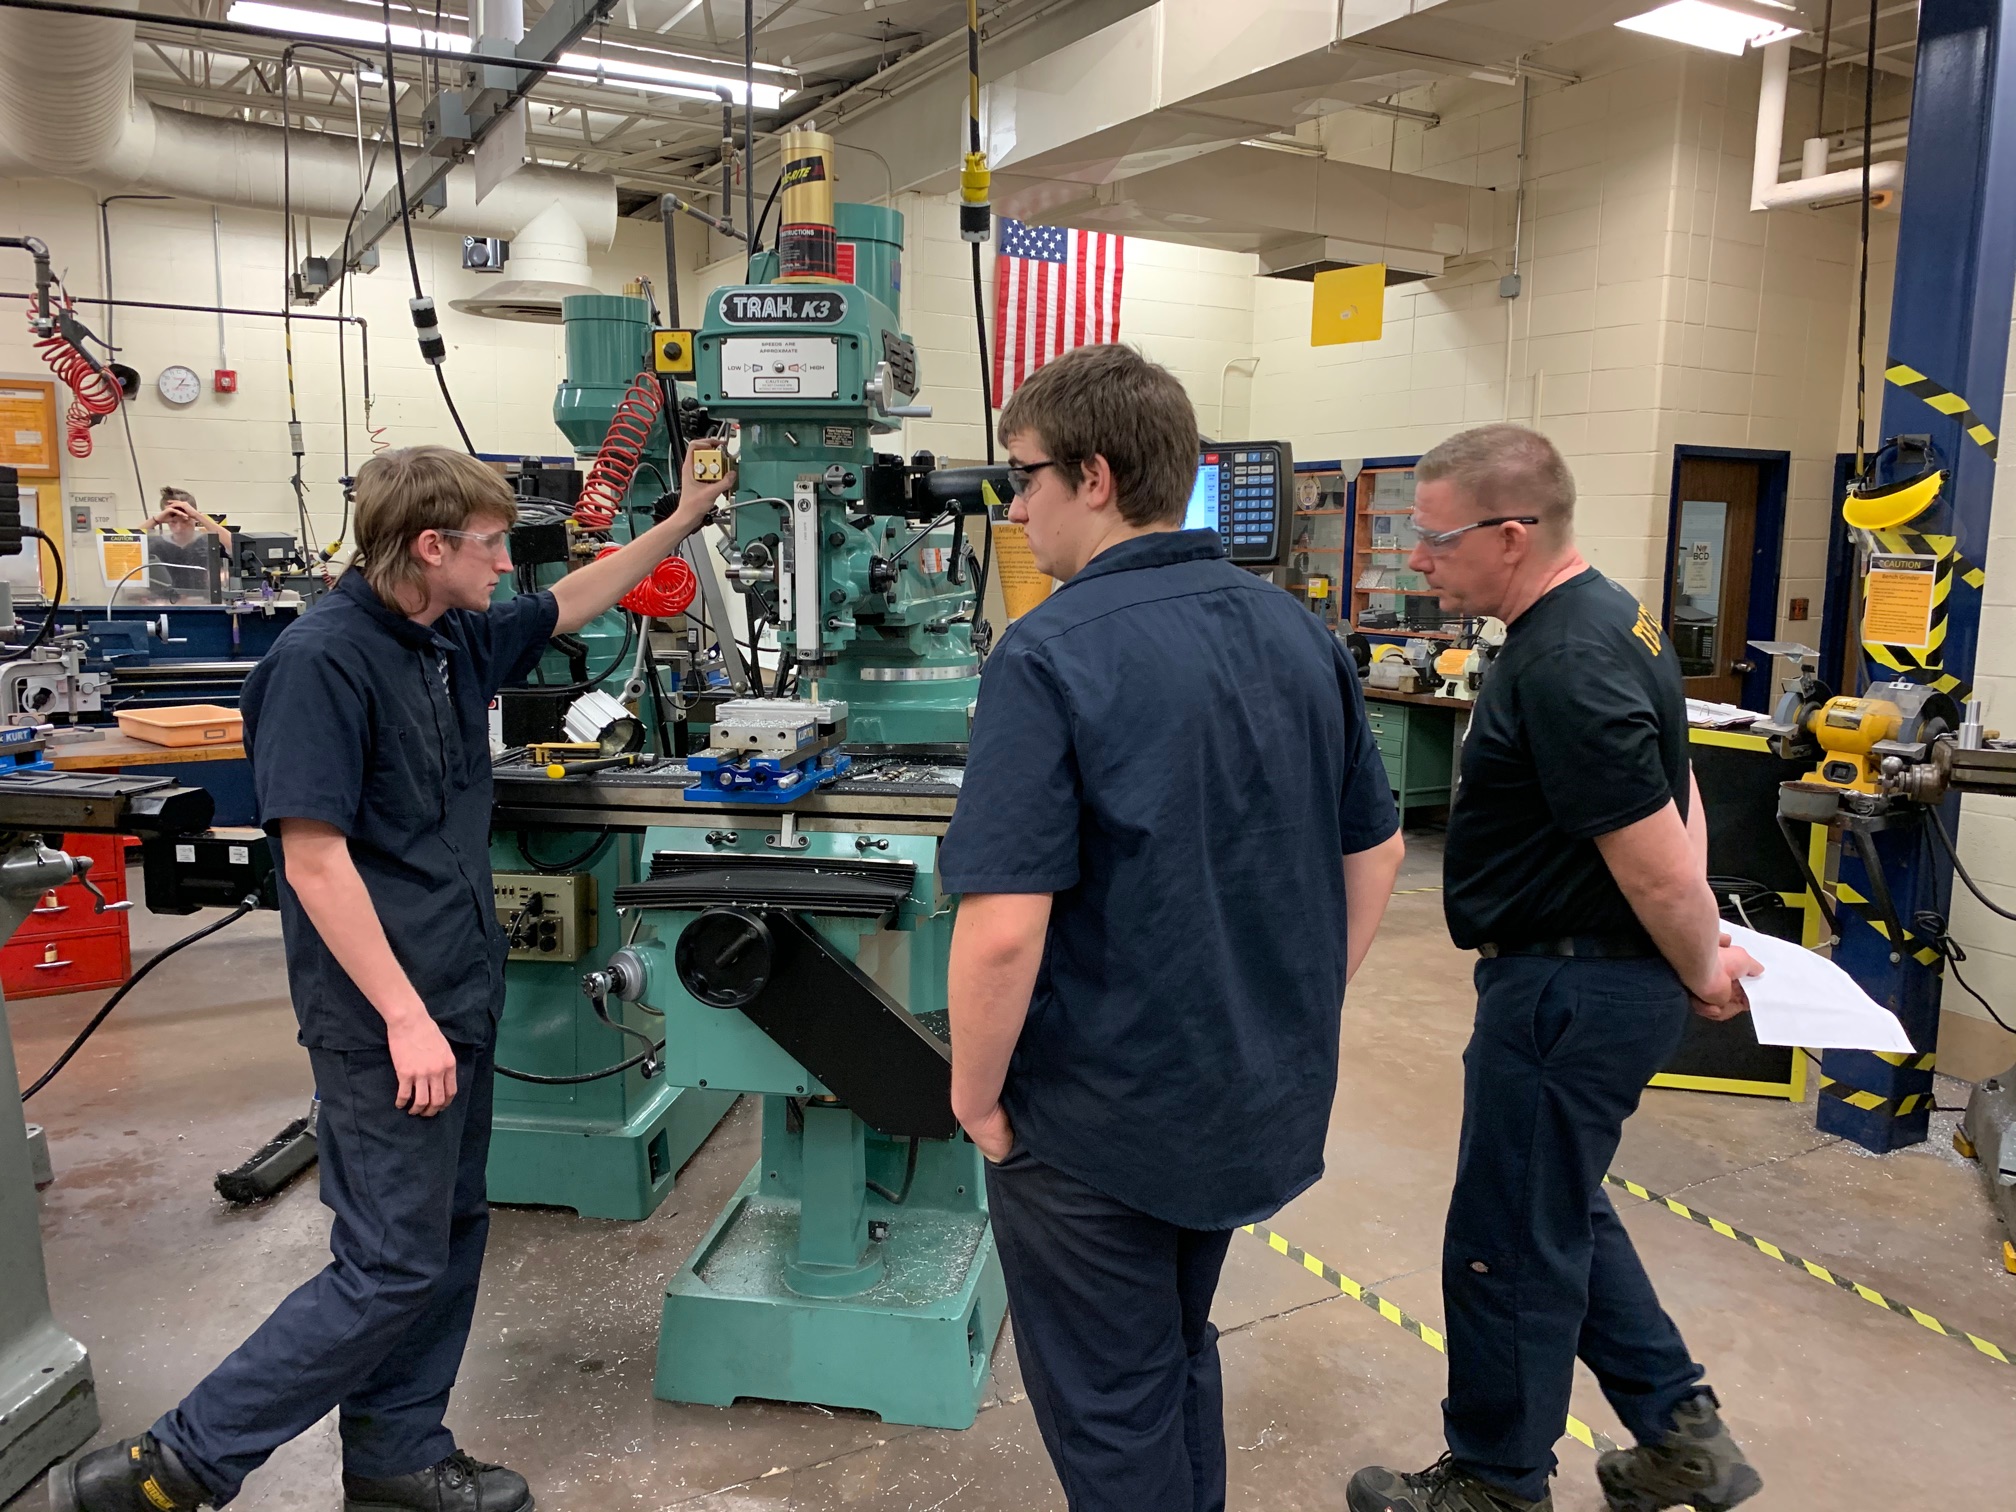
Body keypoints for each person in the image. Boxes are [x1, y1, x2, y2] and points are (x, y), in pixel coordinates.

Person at [49, 444, 733, 1512]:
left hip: (458, 992)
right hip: (385, 1018)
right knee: (387, 1266)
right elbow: (314, 859)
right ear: (429, 545)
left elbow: (565, 602)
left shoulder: (449, 634)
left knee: (450, 1237)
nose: (507, 564)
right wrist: (406, 1018)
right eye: (492, 544)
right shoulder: (322, 662)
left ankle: (395, 1455)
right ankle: (168, 1469)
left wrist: (682, 519)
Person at [942, 343, 1407, 1512]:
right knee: (1174, 1353)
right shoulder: (1301, 634)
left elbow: (1004, 928)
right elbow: (1380, 848)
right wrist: (1295, 1007)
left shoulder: (1045, 654)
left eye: (1024, 477)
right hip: (1243, 1095)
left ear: (1093, 475)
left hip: (1098, 1118)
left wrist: (975, 1097)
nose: (1018, 505)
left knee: (1111, 1412)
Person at [1346, 425, 1764, 1512]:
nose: (1419, 563)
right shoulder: (1614, 617)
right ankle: (1683, 1437)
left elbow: (1656, 865)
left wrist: (1703, 961)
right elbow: (1682, 793)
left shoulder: (1568, 658)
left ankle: (1494, 1483)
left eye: (1435, 541)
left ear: (1513, 534)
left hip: (1569, 988)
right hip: (1591, 977)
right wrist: (1695, 934)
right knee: (1557, 1210)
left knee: (1505, 1245)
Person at [143, 487, 232, 602]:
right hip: (166, 605)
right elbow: (127, 544)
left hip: (207, 604)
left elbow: (234, 544)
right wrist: (155, 520)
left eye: (185, 521)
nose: (179, 528)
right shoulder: (156, 545)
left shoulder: (210, 542)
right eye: (173, 522)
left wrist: (197, 516)